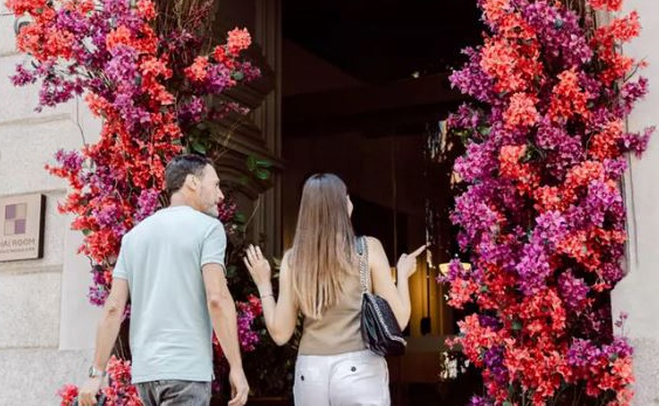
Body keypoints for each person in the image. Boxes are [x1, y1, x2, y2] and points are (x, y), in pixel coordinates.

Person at [79, 154, 249, 406]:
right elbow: (217, 297)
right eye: (215, 184)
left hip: (146, 375)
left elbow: (113, 307)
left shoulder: (134, 237)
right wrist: (236, 366)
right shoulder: (209, 228)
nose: (220, 195)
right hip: (186, 372)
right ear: (192, 182)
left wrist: (96, 374)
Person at [244, 173, 425, 406]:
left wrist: (263, 283)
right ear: (341, 205)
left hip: (310, 372)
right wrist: (402, 274)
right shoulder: (367, 249)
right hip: (359, 369)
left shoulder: (293, 260)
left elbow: (280, 334)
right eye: (346, 196)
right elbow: (399, 320)